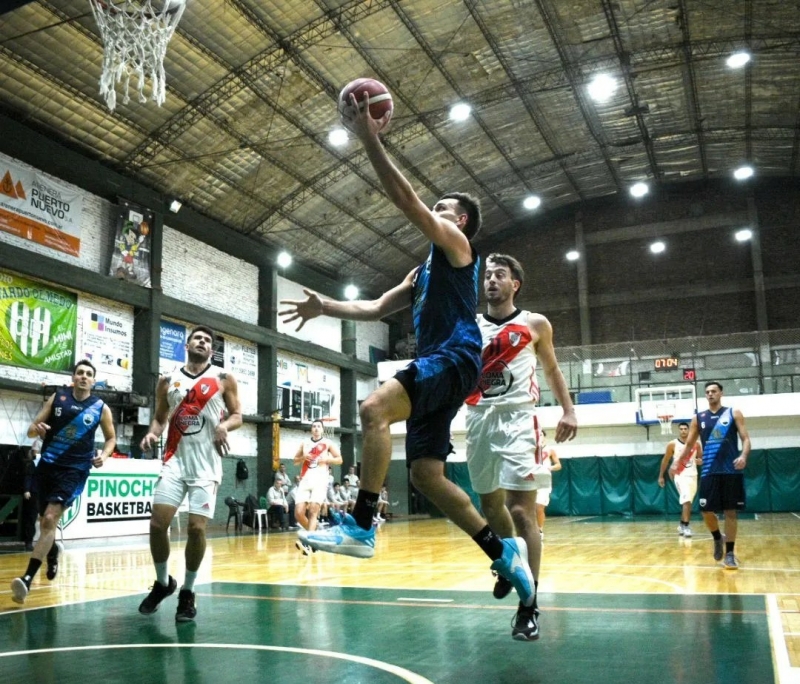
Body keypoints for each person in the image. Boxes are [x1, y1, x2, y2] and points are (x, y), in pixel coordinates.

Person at [279, 97, 536, 609]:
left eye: (443, 208)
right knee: (425, 475)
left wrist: (367, 135)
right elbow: (376, 307)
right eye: (437, 208)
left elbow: (408, 203)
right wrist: (323, 305)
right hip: (446, 368)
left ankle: (360, 526)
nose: (434, 212)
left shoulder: (458, 246)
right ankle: (504, 552)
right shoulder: (422, 272)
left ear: (460, 219)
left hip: (457, 356)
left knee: (373, 408)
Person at [465, 253, 578, 640]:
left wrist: (568, 410)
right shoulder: (469, 325)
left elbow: (552, 369)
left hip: (518, 420)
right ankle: (508, 564)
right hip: (478, 420)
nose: (491, 281)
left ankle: (529, 605)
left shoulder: (534, 324)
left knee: (520, 510)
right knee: (489, 507)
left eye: (500, 275)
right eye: (488, 276)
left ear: (516, 284)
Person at [138, 325, 242, 621]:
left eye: (208, 340)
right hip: (175, 461)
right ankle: (162, 583)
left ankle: (188, 591)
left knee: (197, 529)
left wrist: (224, 426)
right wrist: (152, 434)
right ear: (187, 344)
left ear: (212, 349)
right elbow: (159, 419)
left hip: (206, 465)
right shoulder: (167, 380)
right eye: (198, 338)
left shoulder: (223, 379)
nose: (203, 342)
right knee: (158, 525)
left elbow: (238, 415)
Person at [11, 360, 116, 604]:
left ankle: (26, 579)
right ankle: (53, 550)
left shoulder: (100, 407)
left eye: (88, 374)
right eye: (80, 372)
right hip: (48, 466)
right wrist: (40, 429)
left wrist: (104, 454)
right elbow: (31, 430)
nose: (83, 377)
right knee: (44, 522)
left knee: (49, 518)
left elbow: (111, 439)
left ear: (93, 380)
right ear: (73, 377)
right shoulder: (58, 398)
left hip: (75, 470)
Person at [679, 381, 751, 569]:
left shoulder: (734, 413)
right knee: (705, 510)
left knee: (730, 512)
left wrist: (743, 455)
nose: (710, 394)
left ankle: (729, 554)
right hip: (709, 471)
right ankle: (717, 538)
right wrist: (676, 462)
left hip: (730, 471)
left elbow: (746, 439)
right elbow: (689, 444)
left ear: (721, 393)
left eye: (714, 391)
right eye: (708, 392)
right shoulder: (698, 418)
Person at [292, 419, 343, 554]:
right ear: (311, 429)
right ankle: (316, 533)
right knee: (298, 513)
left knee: (314, 510)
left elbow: (339, 459)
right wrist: (303, 458)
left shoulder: (327, 443)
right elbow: (295, 461)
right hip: (305, 480)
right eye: (314, 426)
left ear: (322, 429)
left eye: (318, 426)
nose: (316, 428)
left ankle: (308, 542)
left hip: (320, 480)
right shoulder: (305, 444)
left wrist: (327, 459)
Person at [658, 421, 703, 537]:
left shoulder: (696, 444)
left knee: (687, 502)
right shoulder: (672, 444)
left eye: (685, 429)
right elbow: (665, 460)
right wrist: (661, 476)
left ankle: (681, 525)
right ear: (679, 430)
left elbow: (701, 458)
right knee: (686, 499)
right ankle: (686, 526)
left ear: (689, 430)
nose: (683, 431)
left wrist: (700, 461)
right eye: (681, 429)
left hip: (693, 475)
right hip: (679, 475)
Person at [536, 430, 562, 540]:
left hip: (544, 482)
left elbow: (558, 465)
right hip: (531, 481)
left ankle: (540, 529)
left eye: (540, 435)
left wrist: (550, 467)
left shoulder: (550, 450)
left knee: (539, 507)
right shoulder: (530, 450)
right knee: (529, 508)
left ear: (544, 437)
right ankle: (531, 530)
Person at [21, 439, 42, 552]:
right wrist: (27, 489)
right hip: (34, 492)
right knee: (31, 518)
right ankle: (28, 542)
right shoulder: (35, 462)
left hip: (45, 493)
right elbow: (28, 476)